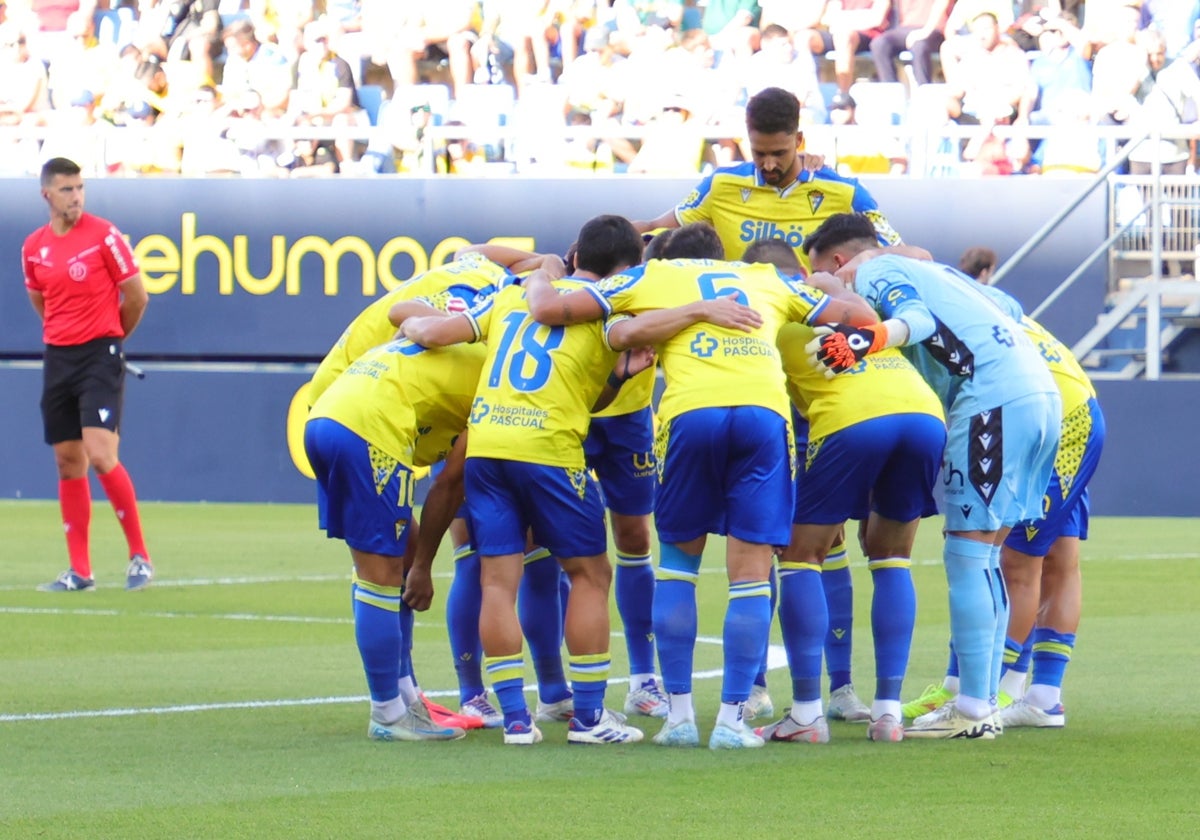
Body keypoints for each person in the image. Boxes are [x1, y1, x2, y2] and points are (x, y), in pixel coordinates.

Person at [522, 217, 881, 750]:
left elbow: (556, 311)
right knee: (751, 575)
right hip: (763, 415)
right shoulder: (765, 278)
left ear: (666, 255)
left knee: (678, 566)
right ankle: (734, 721)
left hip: (690, 415)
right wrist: (829, 292)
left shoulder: (653, 276)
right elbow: (864, 320)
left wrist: (544, 271)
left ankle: (680, 718)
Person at [803, 212, 1061, 740]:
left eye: (818, 277)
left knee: (968, 554)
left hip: (991, 403)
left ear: (836, 263)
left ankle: (971, 710)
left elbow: (916, 320)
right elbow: (1008, 311)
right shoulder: (943, 274)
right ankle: (981, 703)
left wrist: (864, 338)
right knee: (986, 555)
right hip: (1038, 395)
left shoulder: (872, 271)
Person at [743, 237, 946, 744]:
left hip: (854, 420)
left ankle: (807, 715)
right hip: (923, 414)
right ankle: (889, 714)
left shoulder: (767, 310)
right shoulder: (851, 304)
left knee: (798, 554)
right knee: (890, 555)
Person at [904, 246, 1106, 730]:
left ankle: (987, 692)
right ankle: (1036, 695)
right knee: (1057, 555)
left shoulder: (930, 308)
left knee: (1009, 558)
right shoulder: (984, 301)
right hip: (1070, 410)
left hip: (1046, 418)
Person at [304, 331, 483, 743]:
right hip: (369, 430)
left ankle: (403, 698)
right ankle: (387, 711)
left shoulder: (464, 342)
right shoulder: (497, 378)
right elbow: (447, 485)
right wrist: (424, 567)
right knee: (382, 573)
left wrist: (416, 560)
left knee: (395, 555)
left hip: (328, 416)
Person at [22, 157, 153, 593]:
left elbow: (136, 297)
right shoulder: (33, 247)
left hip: (100, 353)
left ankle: (139, 556)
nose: (75, 197)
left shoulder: (104, 236)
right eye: (66, 190)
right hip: (59, 357)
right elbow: (42, 301)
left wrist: (111, 339)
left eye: (79, 188)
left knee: (100, 453)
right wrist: (67, 333)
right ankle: (81, 571)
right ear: (47, 195)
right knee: (67, 461)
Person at [630, 86, 900, 275]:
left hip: (811, 328)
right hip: (739, 327)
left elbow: (905, 252)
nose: (769, 164)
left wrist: (865, 258)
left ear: (799, 140)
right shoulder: (722, 185)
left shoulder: (844, 191)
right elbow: (654, 227)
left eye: (779, 153)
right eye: (760, 153)